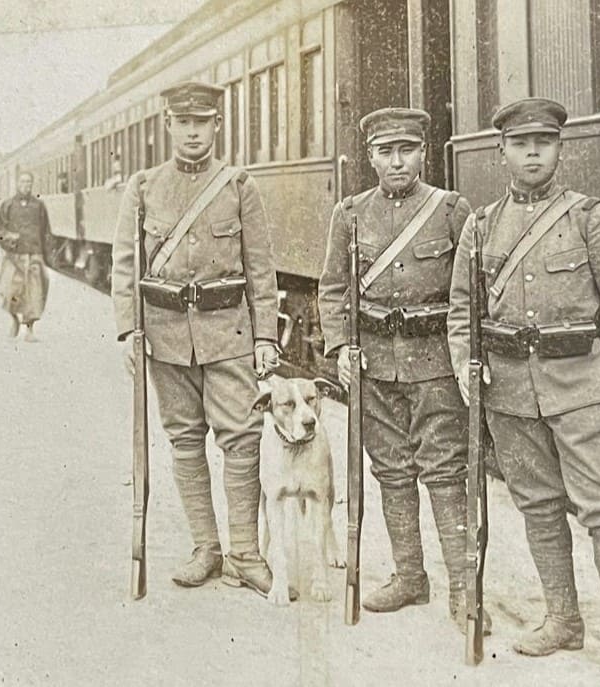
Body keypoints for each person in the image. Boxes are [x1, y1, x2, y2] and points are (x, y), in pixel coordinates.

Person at [447, 98, 600, 686]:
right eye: (521, 144)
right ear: (501, 153)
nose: (533, 152)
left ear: (560, 149)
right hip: (511, 392)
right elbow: (460, 310)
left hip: (581, 388)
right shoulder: (481, 225)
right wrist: (466, 365)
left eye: (544, 142)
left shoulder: (592, 217)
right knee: (538, 509)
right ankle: (563, 621)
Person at [317, 107, 489, 632]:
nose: (396, 162)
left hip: (434, 364)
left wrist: (465, 356)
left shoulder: (452, 211)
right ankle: (410, 577)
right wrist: (342, 345)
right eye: (385, 152)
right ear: (370, 157)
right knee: (391, 471)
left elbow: (472, 294)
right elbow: (332, 289)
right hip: (373, 364)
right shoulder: (349, 214)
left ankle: (464, 591)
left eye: (406, 150)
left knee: (443, 472)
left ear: (422, 152)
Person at [111, 81, 283, 597]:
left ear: (216, 126)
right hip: (164, 337)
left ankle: (245, 554)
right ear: (167, 126)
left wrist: (266, 336)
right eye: (183, 122)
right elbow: (126, 265)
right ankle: (205, 548)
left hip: (228, 332)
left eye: (202, 122)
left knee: (241, 439)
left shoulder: (238, 186)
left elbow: (261, 268)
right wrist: (127, 329)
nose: (192, 132)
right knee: (185, 441)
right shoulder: (142, 188)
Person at [0, 171, 50, 341]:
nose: (26, 185)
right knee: (10, 292)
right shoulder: (7, 205)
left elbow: (46, 231)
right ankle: (14, 320)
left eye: (29, 182)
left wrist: (46, 255)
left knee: (34, 294)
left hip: (34, 254)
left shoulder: (39, 206)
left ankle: (30, 330)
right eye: (23, 182)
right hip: (13, 257)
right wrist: (7, 236)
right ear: (17, 184)